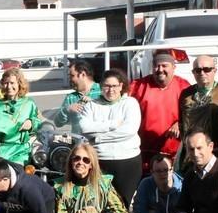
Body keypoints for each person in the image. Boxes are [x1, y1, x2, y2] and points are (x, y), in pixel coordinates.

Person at [79, 68, 143, 204]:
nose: (110, 90)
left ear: (121, 86)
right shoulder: (91, 105)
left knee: (123, 203)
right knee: (101, 202)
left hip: (127, 161)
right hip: (100, 160)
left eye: (114, 86)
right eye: (106, 86)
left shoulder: (130, 104)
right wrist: (112, 124)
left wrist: (97, 138)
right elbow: (84, 127)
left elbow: (129, 131)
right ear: (101, 86)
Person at [129, 51, 191, 173]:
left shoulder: (183, 86)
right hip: (144, 150)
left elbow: (193, 113)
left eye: (164, 66)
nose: (160, 69)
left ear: (173, 67)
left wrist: (180, 123)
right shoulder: (139, 85)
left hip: (173, 151)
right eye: (156, 66)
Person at [0, 68, 41, 165]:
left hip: (20, 152)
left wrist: (31, 123)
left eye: (12, 83)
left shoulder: (29, 104)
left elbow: (39, 124)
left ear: (19, 84)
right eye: (6, 83)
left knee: (16, 176)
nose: (9, 86)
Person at [54, 60, 101, 134]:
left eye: (72, 75)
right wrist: (67, 110)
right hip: (79, 143)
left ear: (82, 74)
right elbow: (58, 123)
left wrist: (94, 104)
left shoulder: (103, 91)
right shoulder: (71, 97)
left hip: (100, 142)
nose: (70, 79)